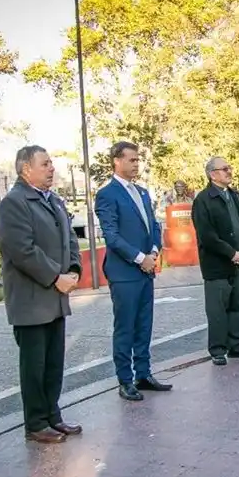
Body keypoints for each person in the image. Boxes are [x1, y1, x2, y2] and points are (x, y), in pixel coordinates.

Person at [0, 145, 84, 444]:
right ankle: (35, 422)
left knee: (53, 363)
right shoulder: (15, 203)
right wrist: (55, 277)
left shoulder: (54, 200)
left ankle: (53, 416)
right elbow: (21, 250)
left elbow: (69, 239)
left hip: (56, 298)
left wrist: (73, 270)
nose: (51, 168)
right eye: (45, 164)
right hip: (31, 301)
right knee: (34, 367)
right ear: (25, 169)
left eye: (51, 163)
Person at [94, 141, 172, 401]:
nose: (136, 164)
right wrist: (140, 258)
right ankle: (125, 380)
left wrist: (153, 252)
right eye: (132, 159)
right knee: (125, 327)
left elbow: (153, 225)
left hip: (146, 270)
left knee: (144, 325)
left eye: (138, 160)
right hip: (124, 272)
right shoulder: (107, 194)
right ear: (117, 161)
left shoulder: (143, 192)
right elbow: (112, 236)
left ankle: (143, 373)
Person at [191, 156, 239, 366]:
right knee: (217, 309)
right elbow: (206, 235)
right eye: (224, 168)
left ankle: (237, 346)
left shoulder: (236, 196)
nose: (229, 171)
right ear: (212, 174)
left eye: (229, 167)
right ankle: (218, 350)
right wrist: (231, 253)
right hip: (217, 266)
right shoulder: (203, 200)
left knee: (238, 305)